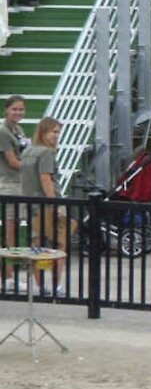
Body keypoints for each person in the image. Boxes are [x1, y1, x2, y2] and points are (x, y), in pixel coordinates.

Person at [21, 117, 71, 295]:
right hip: (47, 204)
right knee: (59, 245)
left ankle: (40, 285)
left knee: (37, 245)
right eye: (54, 132)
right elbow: (45, 178)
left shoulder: (28, 151)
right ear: (44, 132)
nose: (56, 136)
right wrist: (56, 204)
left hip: (31, 204)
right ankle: (56, 285)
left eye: (58, 132)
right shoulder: (46, 153)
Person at [0, 94, 26, 289]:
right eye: (14, 109)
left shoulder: (18, 129)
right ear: (6, 110)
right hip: (9, 184)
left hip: (20, 183)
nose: (18, 112)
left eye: (21, 109)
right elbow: (13, 162)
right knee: (9, 231)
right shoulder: (3, 132)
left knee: (15, 230)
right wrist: (35, 165)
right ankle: (7, 276)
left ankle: (10, 274)